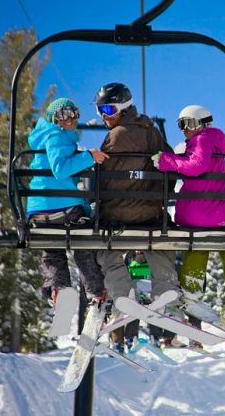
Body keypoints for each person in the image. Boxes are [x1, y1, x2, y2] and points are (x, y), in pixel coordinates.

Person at [154, 105, 225, 335]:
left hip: (199, 212)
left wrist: (167, 161)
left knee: (196, 244)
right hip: (223, 213)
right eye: (181, 125)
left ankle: (191, 290)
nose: (185, 130)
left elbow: (196, 166)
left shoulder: (202, 140)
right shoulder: (213, 141)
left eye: (189, 123)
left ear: (203, 123)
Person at [93, 82, 182, 352]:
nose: (103, 116)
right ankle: (163, 315)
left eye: (107, 109)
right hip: (151, 216)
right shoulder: (152, 133)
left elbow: (101, 183)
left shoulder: (114, 137)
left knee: (108, 257)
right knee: (161, 253)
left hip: (114, 218)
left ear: (122, 107)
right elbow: (171, 170)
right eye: (99, 111)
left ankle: (123, 305)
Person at [26, 98, 108, 307]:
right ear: (54, 119)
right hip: (63, 208)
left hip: (39, 212)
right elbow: (60, 169)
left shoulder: (45, 137)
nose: (70, 119)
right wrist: (89, 156)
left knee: (53, 248)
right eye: (63, 115)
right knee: (82, 243)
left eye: (74, 113)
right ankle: (96, 291)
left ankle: (59, 289)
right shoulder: (55, 136)